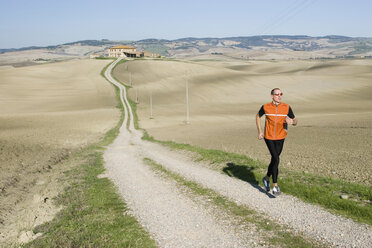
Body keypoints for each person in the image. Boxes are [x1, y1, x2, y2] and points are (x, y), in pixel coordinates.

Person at [256, 88, 297, 196]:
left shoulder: (287, 107)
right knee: (276, 158)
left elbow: (295, 120)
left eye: (281, 94)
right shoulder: (266, 107)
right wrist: (260, 131)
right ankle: (275, 186)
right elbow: (258, 116)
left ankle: (266, 178)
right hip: (269, 137)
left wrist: (292, 121)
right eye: (277, 94)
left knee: (274, 160)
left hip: (281, 137)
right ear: (272, 96)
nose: (279, 96)